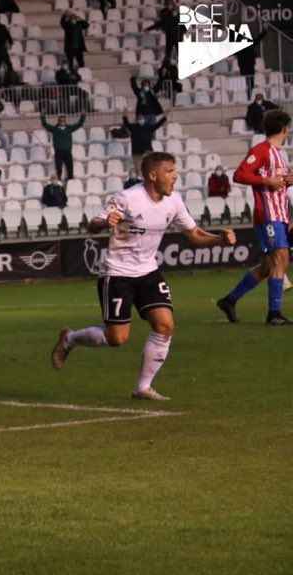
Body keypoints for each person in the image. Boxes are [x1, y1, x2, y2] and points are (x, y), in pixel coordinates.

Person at [52, 152, 236, 400]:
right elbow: (93, 224)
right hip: (117, 273)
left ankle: (142, 387)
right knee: (117, 338)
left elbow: (193, 234)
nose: (176, 176)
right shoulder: (128, 199)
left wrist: (219, 239)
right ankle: (70, 339)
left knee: (165, 326)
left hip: (148, 271)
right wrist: (106, 220)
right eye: (170, 171)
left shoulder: (174, 202)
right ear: (153, 175)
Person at [216, 110, 293, 326]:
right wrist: (267, 180)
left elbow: (280, 183)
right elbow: (239, 174)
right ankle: (274, 314)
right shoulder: (261, 150)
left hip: (280, 213)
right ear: (284, 129)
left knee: (268, 266)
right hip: (268, 214)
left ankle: (229, 300)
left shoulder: (280, 154)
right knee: (282, 259)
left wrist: (289, 179)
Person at [40, 110, 85, 181]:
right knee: (59, 170)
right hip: (58, 153)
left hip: (68, 153)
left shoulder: (69, 128)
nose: (62, 121)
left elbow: (79, 124)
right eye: (61, 120)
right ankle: (59, 184)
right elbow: (45, 125)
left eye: (63, 120)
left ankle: (70, 183)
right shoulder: (54, 129)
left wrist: (83, 116)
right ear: (58, 121)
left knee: (70, 169)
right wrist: (42, 116)